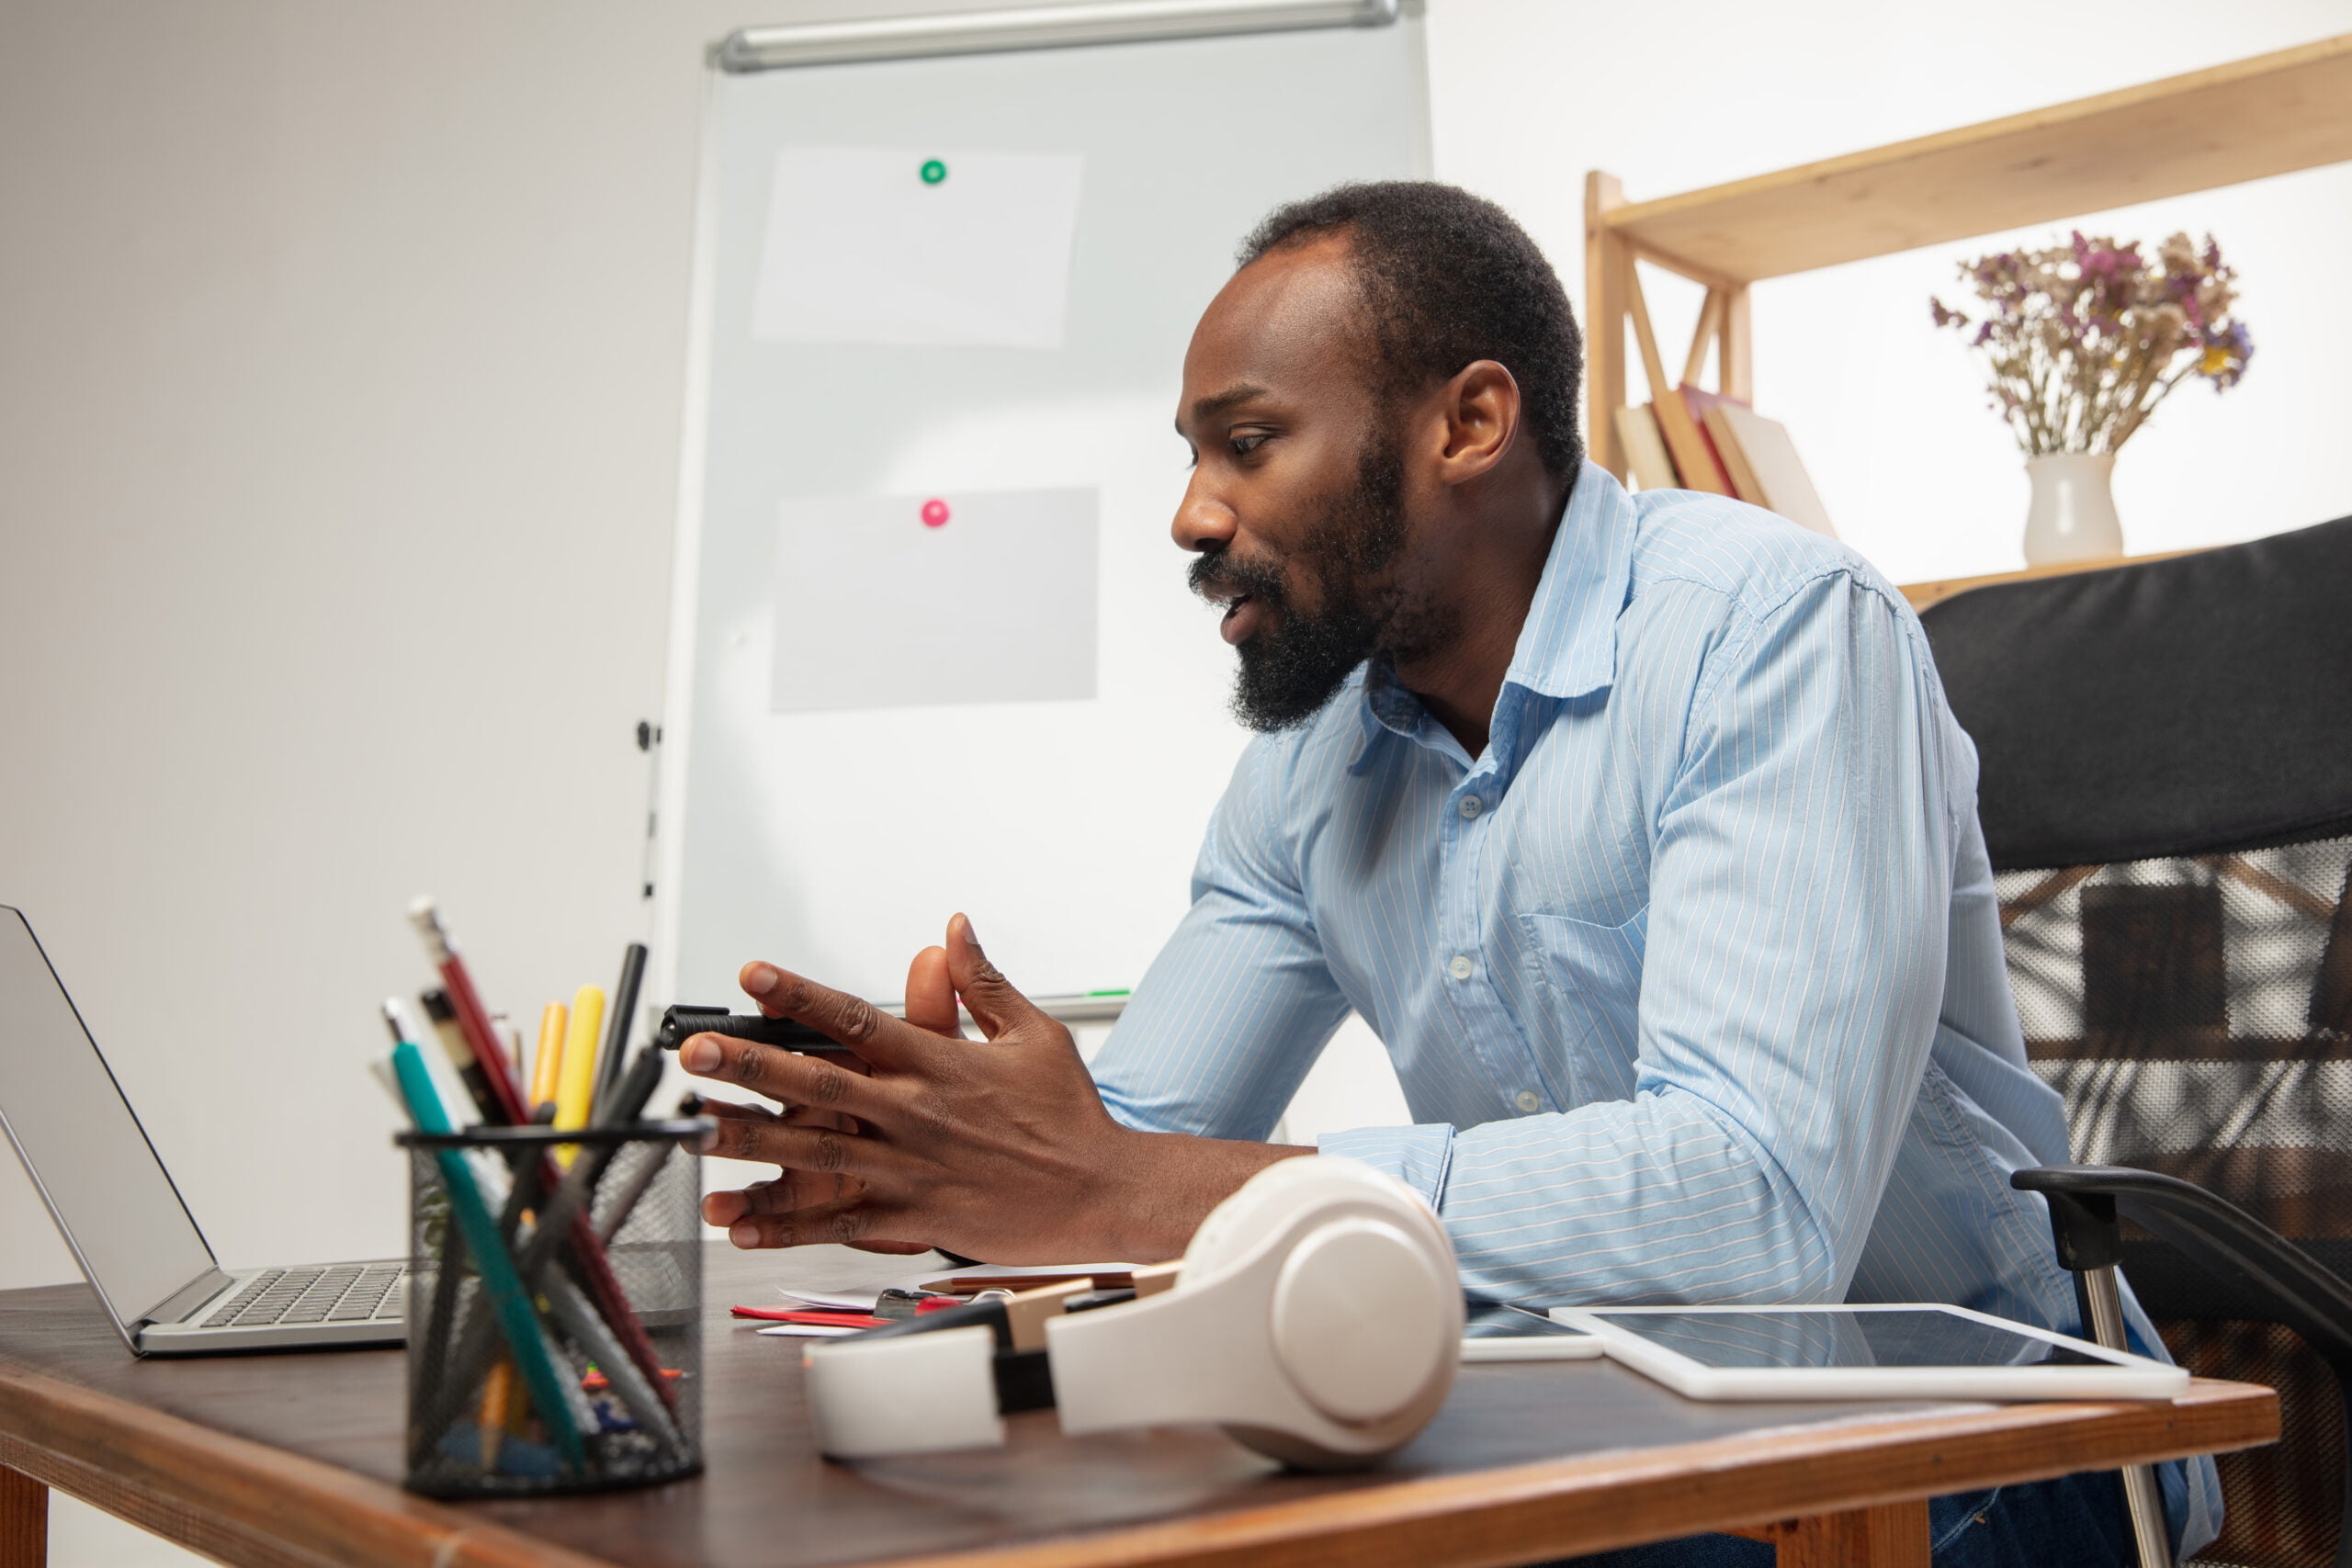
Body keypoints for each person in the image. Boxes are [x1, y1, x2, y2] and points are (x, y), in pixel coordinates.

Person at [675, 182, 2217, 1564]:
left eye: (1249, 442)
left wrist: (1130, 1181)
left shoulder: (1771, 634)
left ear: (1468, 426)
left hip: (1978, 1450)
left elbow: (1755, 1207)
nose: (1192, 514)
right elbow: (1141, 1150)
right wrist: (971, 1142)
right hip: (1603, 1422)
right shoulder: (1314, 760)